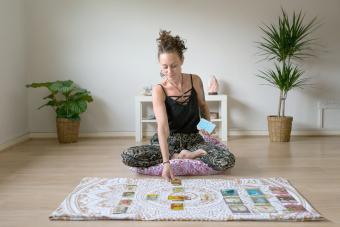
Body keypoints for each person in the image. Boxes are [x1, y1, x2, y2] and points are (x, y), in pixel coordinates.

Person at [121, 30, 235, 181]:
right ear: (160, 66)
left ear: (182, 60)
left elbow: (203, 106)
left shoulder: (195, 80)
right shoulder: (158, 90)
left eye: (173, 65)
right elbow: (162, 127)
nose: (169, 71)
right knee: (128, 156)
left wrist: (207, 130)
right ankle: (179, 156)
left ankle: (189, 154)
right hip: (170, 141)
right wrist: (166, 162)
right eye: (165, 67)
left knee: (227, 160)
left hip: (194, 140)